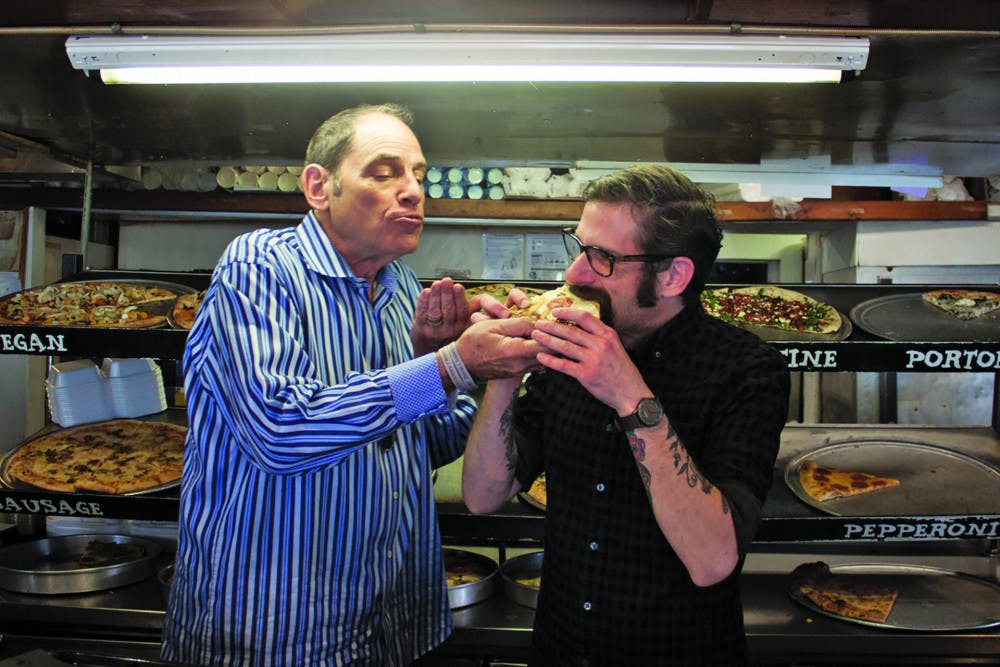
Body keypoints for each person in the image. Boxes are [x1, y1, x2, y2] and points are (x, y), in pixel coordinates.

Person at [160, 103, 541, 666]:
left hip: (392, 625)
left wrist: (480, 370)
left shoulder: (400, 288)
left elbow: (422, 450)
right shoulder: (261, 267)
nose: (413, 190)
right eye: (384, 172)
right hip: (274, 632)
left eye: (419, 174)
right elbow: (281, 431)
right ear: (320, 186)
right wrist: (449, 367)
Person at [462, 164, 791, 666]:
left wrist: (629, 396)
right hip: (560, 648)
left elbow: (713, 560)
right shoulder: (565, 353)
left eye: (603, 259)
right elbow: (483, 496)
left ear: (673, 275)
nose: (574, 274)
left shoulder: (747, 370)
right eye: (580, 247)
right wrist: (506, 374)